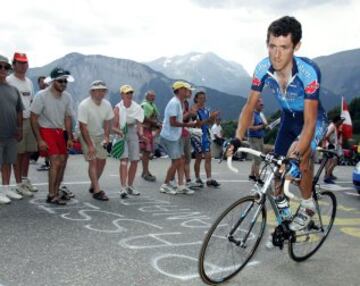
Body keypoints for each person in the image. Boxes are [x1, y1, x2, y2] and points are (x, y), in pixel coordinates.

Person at [228, 16, 328, 232]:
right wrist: (237, 137)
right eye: (272, 46)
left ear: (296, 46)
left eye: (284, 47)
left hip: (311, 120)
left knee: (297, 159)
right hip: (287, 119)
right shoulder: (262, 68)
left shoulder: (308, 72)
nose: (276, 54)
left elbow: (309, 123)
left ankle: (308, 205)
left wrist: (297, 154)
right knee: (275, 177)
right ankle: (286, 224)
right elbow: (249, 106)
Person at [30, 67, 74, 205]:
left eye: (65, 81)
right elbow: (33, 118)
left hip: (59, 131)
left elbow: (68, 118)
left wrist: (70, 137)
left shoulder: (67, 97)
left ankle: (56, 190)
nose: (63, 84)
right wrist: (39, 140)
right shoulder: (41, 95)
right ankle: (51, 195)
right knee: (55, 161)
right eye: (60, 81)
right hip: (45, 129)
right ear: (53, 81)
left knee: (63, 161)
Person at [7, 52, 38, 196]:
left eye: (25, 63)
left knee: (27, 152)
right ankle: (18, 183)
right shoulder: (8, 80)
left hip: (29, 119)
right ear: (13, 65)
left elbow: (31, 101)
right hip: (15, 121)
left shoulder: (29, 82)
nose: (23, 65)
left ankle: (25, 180)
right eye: (19, 63)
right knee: (17, 153)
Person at [159, 81, 199, 195]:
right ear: (180, 90)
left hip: (175, 136)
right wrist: (188, 125)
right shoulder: (174, 103)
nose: (188, 92)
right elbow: (172, 122)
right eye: (186, 89)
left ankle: (181, 185)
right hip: (169, 137)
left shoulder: (180, 102)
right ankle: (165, 184)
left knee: (180, 160)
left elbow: (178, 120)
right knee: (177, 161)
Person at [78, 80, 114, 201]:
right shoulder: (84, 105)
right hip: (86, 133)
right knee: (93, 160)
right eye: (97, 90)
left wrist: (107, 137)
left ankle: (93, 184)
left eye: (103, 90)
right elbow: (82, 126)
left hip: (100, 134)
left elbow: (108, 122)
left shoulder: (107, 104)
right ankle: (97, 190)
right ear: (92, 92)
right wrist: (90, 145)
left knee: (102, 161)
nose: (100, 93)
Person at [113, 85, 145, 198]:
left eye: (131, 93)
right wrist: (120, 132)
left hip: (132, 131)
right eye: (127, 93)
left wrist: (141, 134)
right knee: (124, 160)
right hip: (121, 131)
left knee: (135, 160)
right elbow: (113, 126)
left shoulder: (137, 107)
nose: (129, 95)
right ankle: (123, 187)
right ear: (122, 95)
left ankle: (130, 186)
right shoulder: (117, 107)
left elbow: (139, 124)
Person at [0, 54, 24, 204]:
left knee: (7, 162)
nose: (3, 69)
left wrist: (19, 128)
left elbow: (19, 110)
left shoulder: (13, 90)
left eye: (6, 67)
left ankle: (6, 189)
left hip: (10, 134)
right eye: (0, 66)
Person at [191, 91, 220, 188]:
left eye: (204, 98)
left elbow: (209, 123)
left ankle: (209, 179)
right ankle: (197, 178)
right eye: (201, 98)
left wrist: (213, 118)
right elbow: (198, 124)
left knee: (208, 156)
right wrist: (210, 118)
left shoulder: (206, 110)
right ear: (196, 99)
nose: (203, 100)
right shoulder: (194, 109)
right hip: (197, 135)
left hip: (206, 135)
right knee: (198, 157)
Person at [140, 90, 161, 182]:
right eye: (151, 96)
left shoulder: (151, 105)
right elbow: (143, 117)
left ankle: (145, 171)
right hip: (145, 129)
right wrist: (155, 123)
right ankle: (145, 173)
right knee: (146, 152)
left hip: (148, 129)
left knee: (147, 153)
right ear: (147, 97)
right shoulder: (145, 105)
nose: (153, 97)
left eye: (154, 96)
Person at [247, 98, 267, 182]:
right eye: (260, 104)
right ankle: (258, 178)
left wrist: (264, 126)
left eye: (262, 104)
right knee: (257, 159)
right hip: (254, 139)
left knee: (258, 158)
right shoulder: (253, 114)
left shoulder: (259, 114)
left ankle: (252, 174)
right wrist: (261, 126)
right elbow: (250, 127)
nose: (262, 106)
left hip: (260, 138)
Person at [323, 115, 345, 184]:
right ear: (337, 121)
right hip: (331, 147)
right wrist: (330, 144)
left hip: (331, 146)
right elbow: (326, 136)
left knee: (330, 162)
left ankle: (328, 175)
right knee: (333, 162)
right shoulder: (332, 126)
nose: (341, 123)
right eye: (340, 121)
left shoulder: (333, 126)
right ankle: (327, 177)